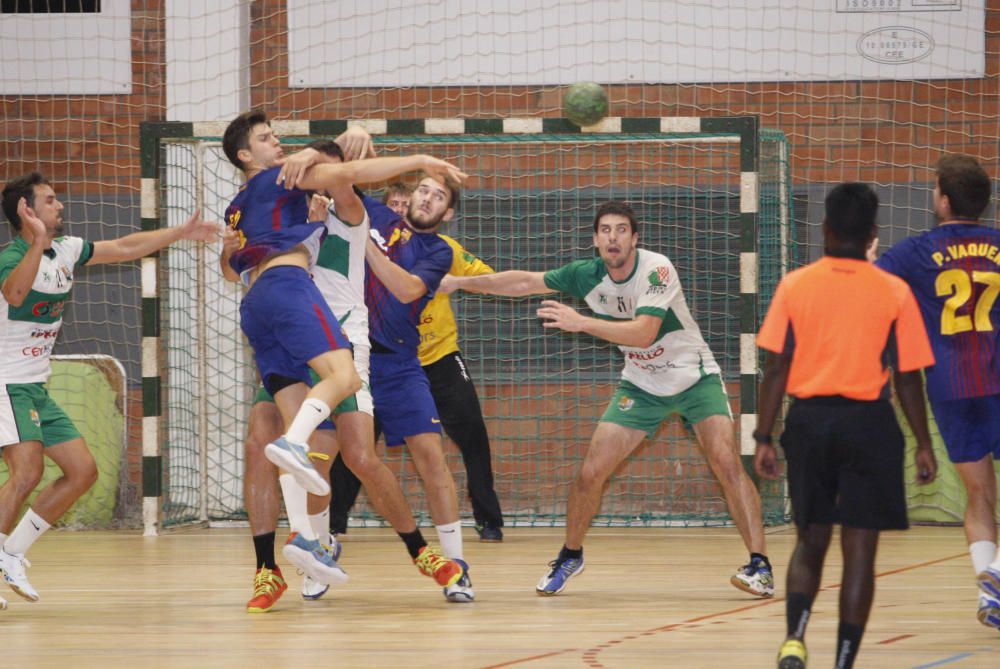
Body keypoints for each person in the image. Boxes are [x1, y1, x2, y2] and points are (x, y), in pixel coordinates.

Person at [442, 200, 773, 597]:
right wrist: (460, 282)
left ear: (635, 238)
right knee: (589, 474)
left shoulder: (656, 268)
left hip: (693, 378)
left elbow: (644, 333)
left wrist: (581, 322)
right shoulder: (586, 275)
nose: (613, 237)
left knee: (725, 462)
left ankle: (760, 565)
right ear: (595, 239)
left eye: (621, 230)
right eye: (605, 230)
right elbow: (524, 282)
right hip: (642, 384)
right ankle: (570, 554)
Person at [220, 111, 468, 603]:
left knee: (359, 455)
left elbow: (349, 174)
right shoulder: (289, 207)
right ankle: (293, 552)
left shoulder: (349, 209)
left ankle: (419, 552)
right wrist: (230, 253)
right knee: (276, 443)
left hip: (338, 334)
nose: (292, 158)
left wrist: (348, 142)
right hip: (293, 325)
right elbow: (238, 264)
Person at [0, 171, 218, 604]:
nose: (59, 205)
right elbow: (17, 293)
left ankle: (11, 553)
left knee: (82, 471)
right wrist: (38, 241)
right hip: (5, 382)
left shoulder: (68, 250)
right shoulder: (12, 256)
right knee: (27, 472)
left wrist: (180, 232)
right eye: (48, 200)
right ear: (27, 212)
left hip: (34, 386)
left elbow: (126, 247)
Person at [754, 182, 938, 669]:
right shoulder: (894, 290)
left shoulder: (796, 285)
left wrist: (763, 436)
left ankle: (794, 638)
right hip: (870, 425)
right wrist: (922, 443)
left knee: (810, 541)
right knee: (860, 551)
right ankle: (843, 661)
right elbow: (908, 378)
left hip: (810, 422)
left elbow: (775, 368)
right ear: (873, 232)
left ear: (826, 230)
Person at [329, 182, 506, 542]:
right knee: (357, 442)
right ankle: (334, 521)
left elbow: (488, 278)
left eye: (404, 201)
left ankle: (488, 519)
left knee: (470, 432)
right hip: (381, 356)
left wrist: (453, 282)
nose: (399, 208)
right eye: (393, 204)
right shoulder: (375, 237)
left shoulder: (442, 251)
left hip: (438, 354)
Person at [875, 154, 1000, 630]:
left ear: (944, 201)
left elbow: (872, 288)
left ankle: (990, 591)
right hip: (997, 377)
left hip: (949, 386)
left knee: (978, 492)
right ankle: (996, 576)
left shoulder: (915, 251)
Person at [361, 173, 478, 602]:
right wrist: (354, 143)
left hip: (399, 362)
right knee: (329, 457)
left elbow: (408, 290)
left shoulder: (438, 250)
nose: (428, 198)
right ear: (410, 197)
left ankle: (456, 566)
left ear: (446, 213)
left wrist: (365, 245)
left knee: (431, 456)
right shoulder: (373, 215)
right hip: (348, 358)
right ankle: (322, 549)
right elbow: (339, 179)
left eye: (439, 196)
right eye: (423, 189)